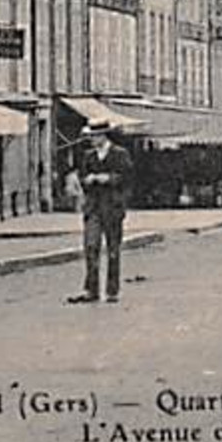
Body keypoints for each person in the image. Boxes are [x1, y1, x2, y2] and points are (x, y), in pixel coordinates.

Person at [68, 122, 133, 305]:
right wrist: (87, 180)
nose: (92, 140)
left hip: (112, 207)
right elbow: (82, 177)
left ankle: (112, 291)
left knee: (113, 250)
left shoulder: (120, 154)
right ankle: (91, 290)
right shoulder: (88, 156)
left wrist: (109, 178)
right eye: (90, 136)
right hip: (93, 207)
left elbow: (128, 177)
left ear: (104, 136)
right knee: (91, 246)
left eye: (95, 136)